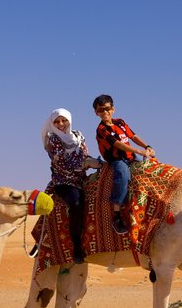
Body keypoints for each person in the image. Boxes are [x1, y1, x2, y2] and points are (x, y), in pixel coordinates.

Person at [41, 108, 101, 263]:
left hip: (82, 178)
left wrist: (96, 162)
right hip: (64, 181)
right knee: (76, 203)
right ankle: (77, 247)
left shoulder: (78, 136)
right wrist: (86, 163)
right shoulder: (53, 139)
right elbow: (61, 163)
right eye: (57, 121)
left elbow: (85, 154)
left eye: (64, 120)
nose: (61, 124)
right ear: (52, 124)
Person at [92, 94, 155, 234]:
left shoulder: (120, 122)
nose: (105, 112)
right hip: (117, 160)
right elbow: (119, 145)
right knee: (123, 174)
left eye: (107, 108)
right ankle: (117, 215)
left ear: (112, 109)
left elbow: (133, 136)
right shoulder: (102, 130)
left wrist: (147, 146)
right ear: (96, 113)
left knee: (149, 171)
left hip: (131, 157)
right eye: (101, 110)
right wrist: (140, 151)